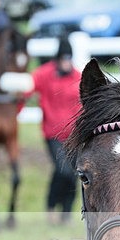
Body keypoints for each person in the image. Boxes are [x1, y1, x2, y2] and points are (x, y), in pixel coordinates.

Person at [31, 36, 81, 223]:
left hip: (74, 135)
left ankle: (66, 213)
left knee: (74, 173)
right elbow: (27, 88)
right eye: (63, 58)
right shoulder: (44, 74)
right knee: (63, 170)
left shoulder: (77, 77)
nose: (66, 62)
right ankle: (51, 205)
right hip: (53, 133)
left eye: (69, 58)